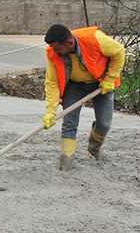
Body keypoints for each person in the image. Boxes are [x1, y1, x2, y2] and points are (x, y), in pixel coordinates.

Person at [41, 23, 125, 170]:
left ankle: (94, 146)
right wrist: (50, 111)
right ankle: (66, 161)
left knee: (104, 124)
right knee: (69, 122)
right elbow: (52, 83)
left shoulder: (95, 39)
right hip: (75, 85)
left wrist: (110, 79)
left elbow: (118, 51)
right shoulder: (53, 53)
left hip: (101, 83)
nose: (55, 52)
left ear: (69, 43)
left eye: (58, 48)